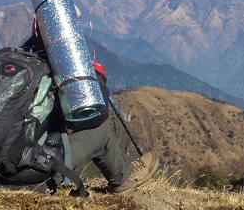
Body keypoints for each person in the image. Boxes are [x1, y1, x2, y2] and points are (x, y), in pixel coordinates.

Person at [20, 14, 159, 195]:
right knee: (99, 130)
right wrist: (92, 77)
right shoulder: (56, 65)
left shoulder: (18, 57)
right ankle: (124, 178)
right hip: (28, 174)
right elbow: (93, 115)